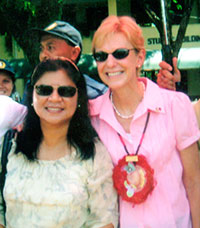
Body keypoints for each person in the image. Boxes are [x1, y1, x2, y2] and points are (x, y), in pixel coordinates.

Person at [89, 15, 200, 228]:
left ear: (140, 57)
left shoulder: (175, 106)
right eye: (101, 56)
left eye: (120, 53)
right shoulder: (91, 116)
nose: (110, 63)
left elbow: (194, 183)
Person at [0, 59, 118, 228]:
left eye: (65, 91)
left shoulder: (94, 153)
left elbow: (103, 221)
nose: (54, 98)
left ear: (79, 97)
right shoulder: (10, 146)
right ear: (32, 94)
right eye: (44, 90)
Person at [31, 20, 107, 99]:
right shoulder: (34, 89)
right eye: (41, 48)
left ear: (74, 53)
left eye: (50, 47)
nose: (43, 55)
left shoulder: (96, 95)